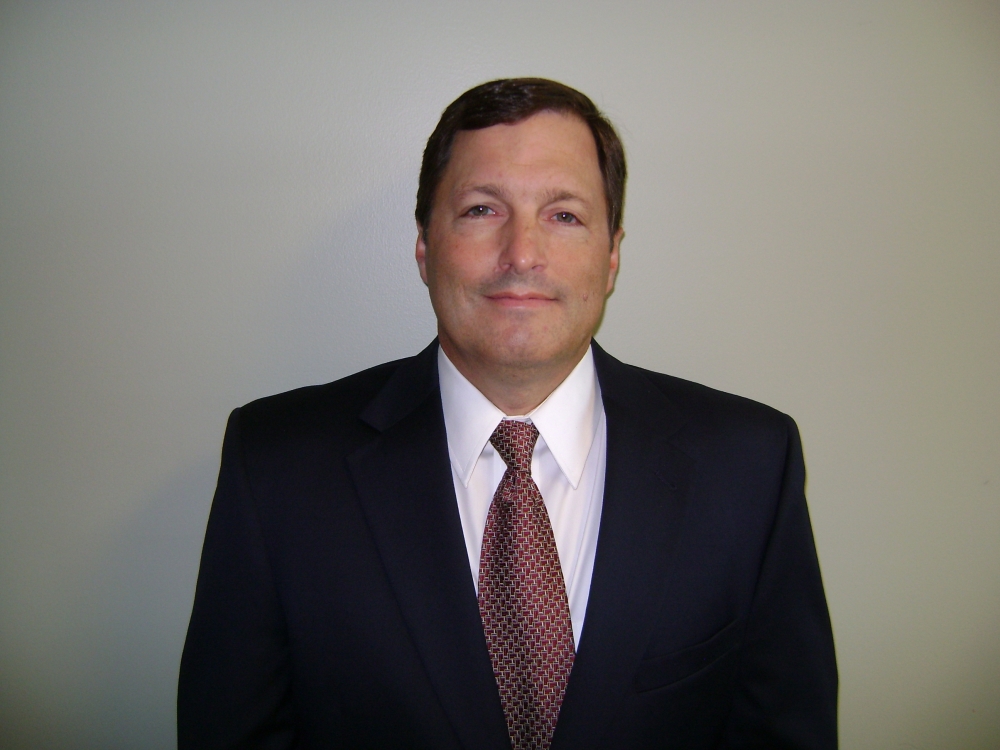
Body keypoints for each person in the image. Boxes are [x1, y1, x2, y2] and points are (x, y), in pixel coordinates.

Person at [178, 78, 837, 750]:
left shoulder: (748, 467)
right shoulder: (277, 468)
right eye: (482, 209)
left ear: (611, 255)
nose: (522, 254)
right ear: (425, 246)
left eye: (564, 215)